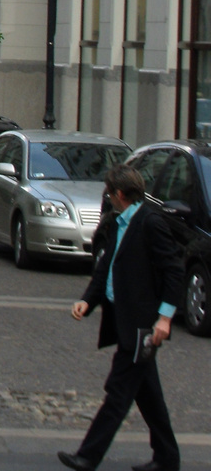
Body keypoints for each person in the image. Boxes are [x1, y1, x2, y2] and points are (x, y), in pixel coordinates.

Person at [59, 165, 184, 471]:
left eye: (108, 192)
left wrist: (165, 319)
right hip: (123, 320)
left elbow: (174, 271)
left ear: (118, 194)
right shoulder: (119, 222)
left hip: (142, 325)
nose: (107, 197)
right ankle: (167, 459)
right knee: (148, 394)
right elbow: (106, 268)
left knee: (118, 392)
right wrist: (87, 301)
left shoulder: (150, 223)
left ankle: (88, 456)